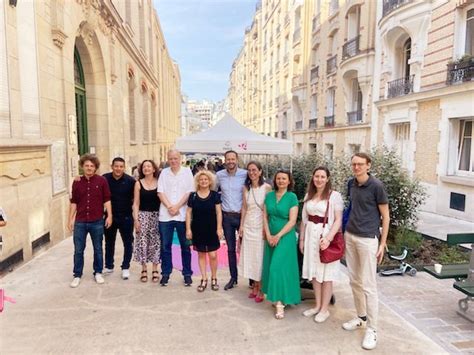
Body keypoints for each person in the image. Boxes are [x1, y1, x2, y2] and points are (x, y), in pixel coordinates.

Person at [342, 152, 390, 351]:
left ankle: (373, 329)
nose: (356, 167)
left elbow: (385, 216)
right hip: (351, 236)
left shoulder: (377, 186)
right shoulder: (350, 184)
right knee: (354, 281)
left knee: (369, 285)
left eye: (360, 164)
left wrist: (382, 243)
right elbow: (353, 208)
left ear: (368, 165)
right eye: (354, 164)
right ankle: (361, 317)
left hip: (368, 240)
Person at [299, 166, 343, 323]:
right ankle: (317, 306)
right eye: (316, 176)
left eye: (322, 177)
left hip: (325, 237)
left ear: (328, 179)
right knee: (315, 274)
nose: (319, 179)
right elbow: (304, 219)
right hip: (311, 236)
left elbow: (338, 219)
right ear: (313, 177)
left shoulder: (334, 196)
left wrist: (329, 238)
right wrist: (302, 240)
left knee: (326, 275)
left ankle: (325, 309)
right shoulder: (309, 195)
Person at [68, 154, 112, 288]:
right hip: (80, 221)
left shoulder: (102, 181)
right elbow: (74, 202)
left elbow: (107, 200)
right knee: (78, 250)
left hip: (97, 221)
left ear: (96, 168)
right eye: (86, 165)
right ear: (82, 166)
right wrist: (70, 219)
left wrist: (109, 215)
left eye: (92, 166)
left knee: (98, 248)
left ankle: (98, 272)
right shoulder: (76, 182)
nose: (89, 168)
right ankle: (77, 275)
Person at [261, 169, 300, 319]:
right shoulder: (269, 196)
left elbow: (292, 221)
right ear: (275, 180)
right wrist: (268, 234)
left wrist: (278, 235)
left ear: (289, 181)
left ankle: (279, 304)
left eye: (284, 179)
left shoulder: (292, 197)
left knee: (277, 268)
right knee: (272, 266)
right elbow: (264, 216)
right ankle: (279, 296)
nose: (281, 181)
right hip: (270, 234)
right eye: (278, 178)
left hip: (285, 237)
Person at [158, 149, 194, 287]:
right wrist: (169, 207)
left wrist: (177, 207)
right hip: (165, 215)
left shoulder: (187, 172)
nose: (173, 161)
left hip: (182, 215)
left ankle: (187, 274)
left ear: (180, 159)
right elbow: (160, 192)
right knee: (165, 247)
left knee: (185, 246)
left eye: (176, 158)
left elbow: (189, 192)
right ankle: (166, 273)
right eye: (171, 158)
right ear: (168, 159)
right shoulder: (164, 173)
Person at [238, 161, 271, 302]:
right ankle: (255, 286)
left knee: (259, 258)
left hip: (260, 226)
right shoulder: (246, 188)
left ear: (260, 171)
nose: (252, 172)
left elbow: (269, 210)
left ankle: (262, 289)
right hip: (249, 225)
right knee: (251, 258)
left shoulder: (267, 188)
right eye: (250, 170)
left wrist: (266, 227)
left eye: (255, 170)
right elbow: (244, 208)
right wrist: (241, 226)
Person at [185, 170, 224, 292]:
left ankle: (214, 277)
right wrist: (188, 229)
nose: (203, 181)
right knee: (201, 254)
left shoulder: (214, 195)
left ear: (210, 181)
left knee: (212, 255)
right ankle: (204, 278)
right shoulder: (193, 196)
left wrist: (219, 228)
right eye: (201, 179)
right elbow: (188, 212)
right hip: (198, 228)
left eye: (206, 179)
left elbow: (218, 212)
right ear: (198, 181)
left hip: (212, 229)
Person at [216, 150, 247, 290]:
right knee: (230, 249)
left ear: (237, 159)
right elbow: (214, 193)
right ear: (225, 160)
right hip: (227, 217)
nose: (230, 161)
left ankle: (253, 280)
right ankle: (233, 278)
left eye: (233, 159)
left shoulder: (245, 174)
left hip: (242, 217)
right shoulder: (219, 175)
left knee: (247, 248)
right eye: (228, 159)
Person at [102, 157, 136, 280]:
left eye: (121, 166)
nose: (118, 169)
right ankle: (109, 265)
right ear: (112, 166)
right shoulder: (104, 179)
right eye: (116, 166)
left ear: (124, 167)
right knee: (109, 242)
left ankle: (125, 267)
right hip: (110, 216)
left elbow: (136, 199)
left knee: (128, 243)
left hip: (126, 217)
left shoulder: (131, 181)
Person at [133, 160, 161, 283]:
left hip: (157, 215)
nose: (146, 168)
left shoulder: (160, 183)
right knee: (142, 242)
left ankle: (155, 268)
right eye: (144, 166)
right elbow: (136, 203)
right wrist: (136, 220)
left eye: (149, 166)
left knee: (156, 242)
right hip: (143, 215)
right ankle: (144, 268)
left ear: (154, 169)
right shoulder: (138, 184)